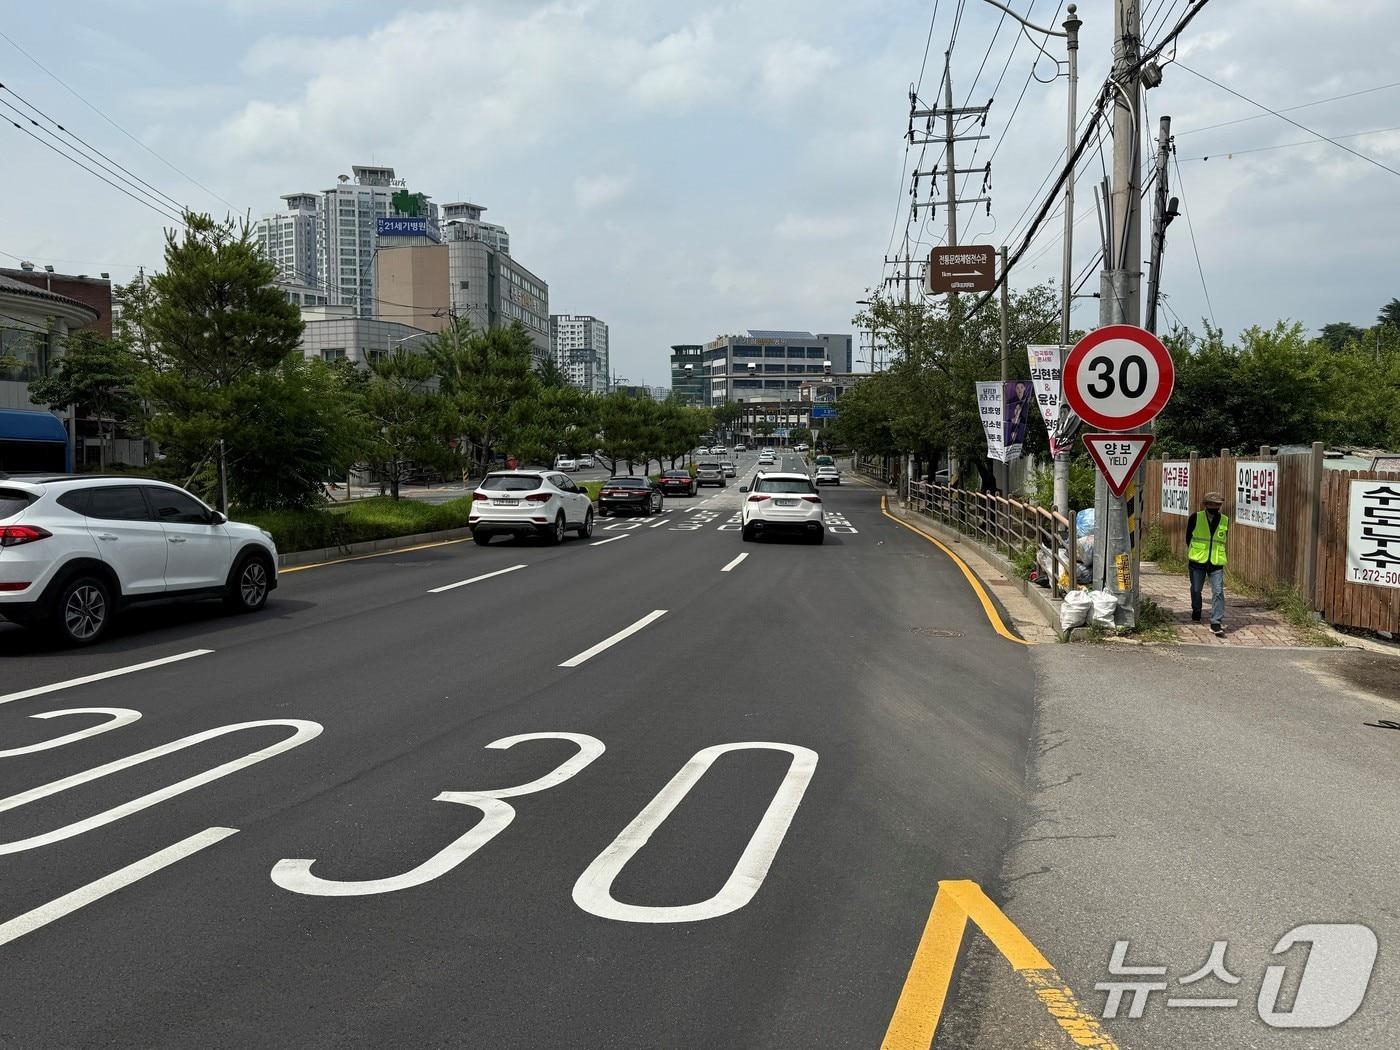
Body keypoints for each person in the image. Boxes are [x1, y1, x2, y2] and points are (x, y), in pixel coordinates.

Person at [1186, 491, 1229, 637]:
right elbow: (1188, 537)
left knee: (1218, 591)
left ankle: (1216, 622)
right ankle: (1197, 609)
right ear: (1205, 505)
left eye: (1217, 504)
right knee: (1197, 588)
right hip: (1198, 560)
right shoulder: (1195, 517)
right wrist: (1196, 552)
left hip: (1216, 561)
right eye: (1211, 504)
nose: (1214, 507)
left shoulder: (1224, 520)